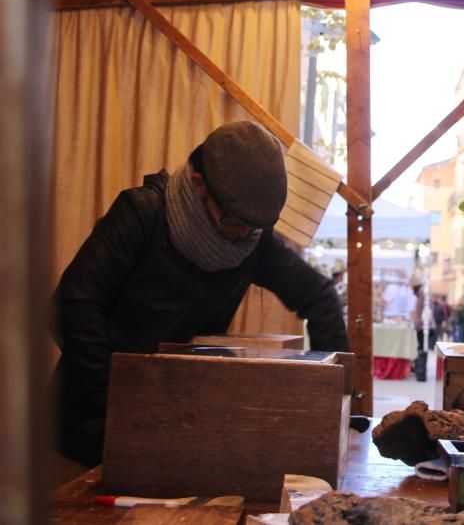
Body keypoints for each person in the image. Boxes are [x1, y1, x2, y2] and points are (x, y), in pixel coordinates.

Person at [52, 121, 350, 469]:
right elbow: (72, 306)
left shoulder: (252, 242)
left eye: (253, 227)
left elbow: (320, 297)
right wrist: (117, 404)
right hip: (84, 431)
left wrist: (338, 406)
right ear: (198, 185)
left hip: (173, 432)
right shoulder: (142, 213)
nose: (241, 236)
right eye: (233, 222)